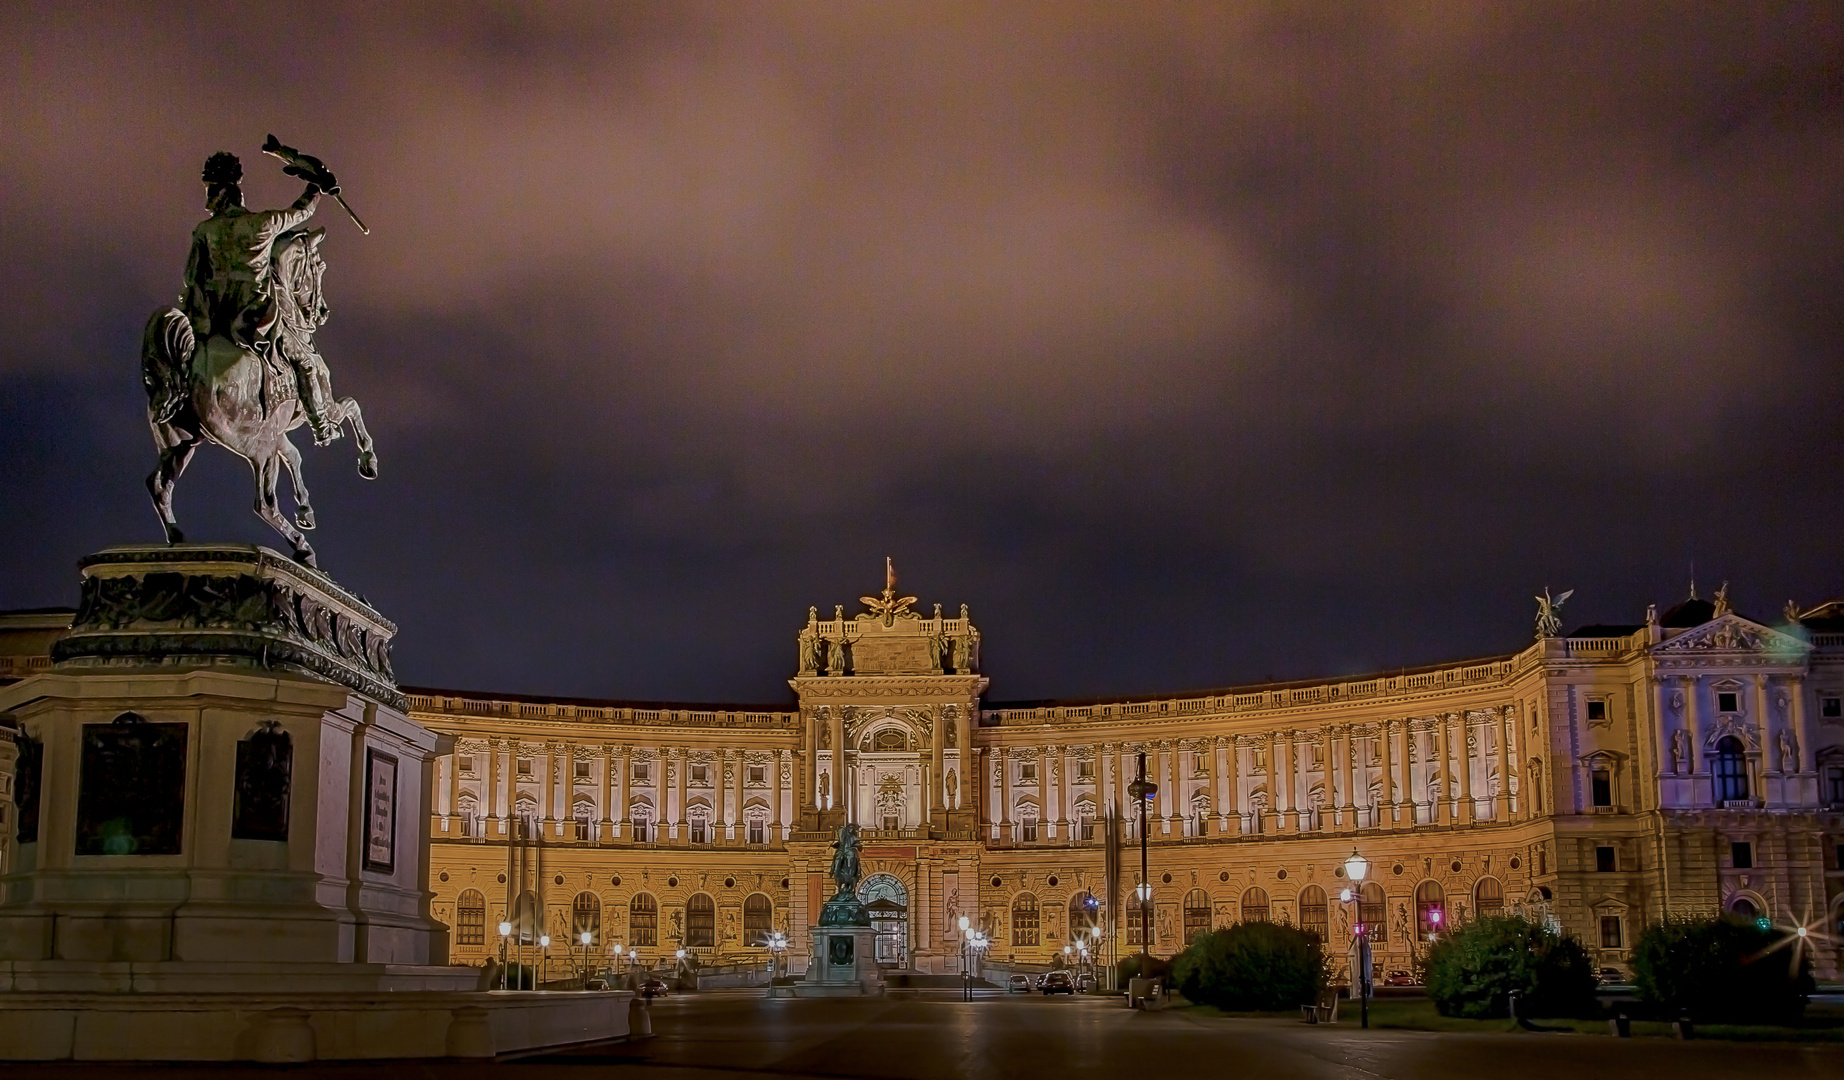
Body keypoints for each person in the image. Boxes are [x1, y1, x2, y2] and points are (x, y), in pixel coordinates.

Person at [183, 151, 340, 444]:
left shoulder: (205, 230)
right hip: (253, 314)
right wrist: (315, 188)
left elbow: (191, 276)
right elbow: (302, 213)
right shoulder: (263, 223)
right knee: (304, 362)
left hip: (215, 315)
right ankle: (321, 424)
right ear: (238, 194)